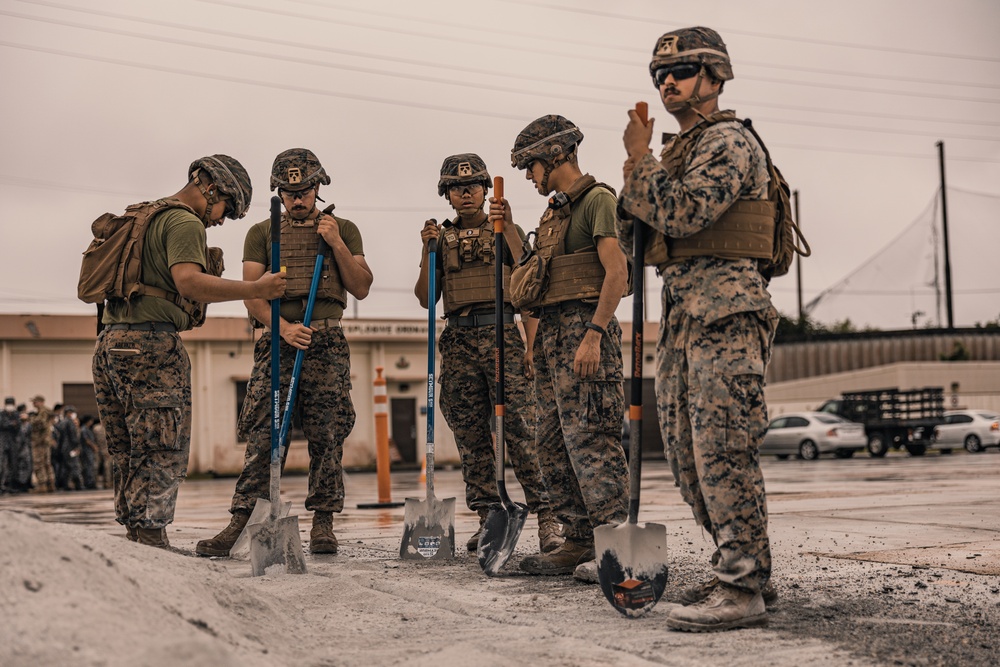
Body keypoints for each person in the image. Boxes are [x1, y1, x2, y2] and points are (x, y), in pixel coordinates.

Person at [616, 27, 780, 631]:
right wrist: (641, 173)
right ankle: (742, 572)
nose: (668, 83)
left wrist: (638, 160)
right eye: (661, 74)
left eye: (682, 71)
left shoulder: (728, 141)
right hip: (685, 314)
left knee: (723, 450)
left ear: (714, 78)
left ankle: (743, 587)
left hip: (727, 312)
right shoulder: (681, 150)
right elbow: (644, 222)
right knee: (687, 456)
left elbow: (684, 212)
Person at [91, 154, 286, 549]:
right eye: (227, 210)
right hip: (151, 346)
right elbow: (189, 282)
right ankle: (151, 537)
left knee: (129, 447)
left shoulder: (144, 216)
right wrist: (255, 289)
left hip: (110, 342)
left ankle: (135, 535)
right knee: (162, 444)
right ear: (211, 188)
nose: (221, 220)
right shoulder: (183, 221)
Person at [196, 148, 372, 557]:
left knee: (327, 433)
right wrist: (284, 329)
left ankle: (324, 521)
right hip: (276, 343)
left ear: (318, 188)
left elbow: (361, 285)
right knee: (263, 431)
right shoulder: (262, 232)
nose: (297, 198)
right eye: (289, 191)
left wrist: (335, 243)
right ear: (278, 192)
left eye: (305, 190)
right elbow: (252, 295)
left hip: (325, 342)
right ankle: (243, 518)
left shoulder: (343, 227)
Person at [491, 115, 630, 576]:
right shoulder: (554, 212)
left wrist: (595, 333)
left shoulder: (597, 201)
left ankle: (615, 542)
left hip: (585, 331)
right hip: (553, 335)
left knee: (592, 436)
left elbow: (617, 273)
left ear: (555, 155)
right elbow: (534, 275)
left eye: (530, 166)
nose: (529, 177)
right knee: (551, 440)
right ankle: (577, 539)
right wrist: (510, 228)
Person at [413, 153, 560, 553]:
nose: (466, 193)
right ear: (447, 194)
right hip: (459, 341)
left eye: (473, 186)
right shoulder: (441, 239)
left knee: (521, 432)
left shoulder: (504, 231)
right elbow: (427, 299)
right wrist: (426, 253)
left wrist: (508, 226)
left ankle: (548, 516)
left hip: (501, 336)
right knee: (471, 435)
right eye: (457, 188)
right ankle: (488, 516)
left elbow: (531, 281)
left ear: (484, 190)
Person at [28, 395, 56, 493]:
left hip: (40, 441)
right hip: (44, 440)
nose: (33, 404)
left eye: (35, 402)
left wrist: (30, 419)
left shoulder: (43, 412)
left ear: (40, 402)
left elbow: (41, 423)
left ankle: (42, 485)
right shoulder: (45, 412)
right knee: (47, 463)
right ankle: (50, 484)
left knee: (39, 463)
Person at [0, 397, 18, 493]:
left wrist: (12, 424)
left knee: (13, 465)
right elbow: (2, 424)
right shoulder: (2, 414)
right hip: (3, 442)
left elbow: (18, 426)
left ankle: (10, 485)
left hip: (12, 443)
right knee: (2, 465)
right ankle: (1, 485)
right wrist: (11, 424)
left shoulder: (15, 414)